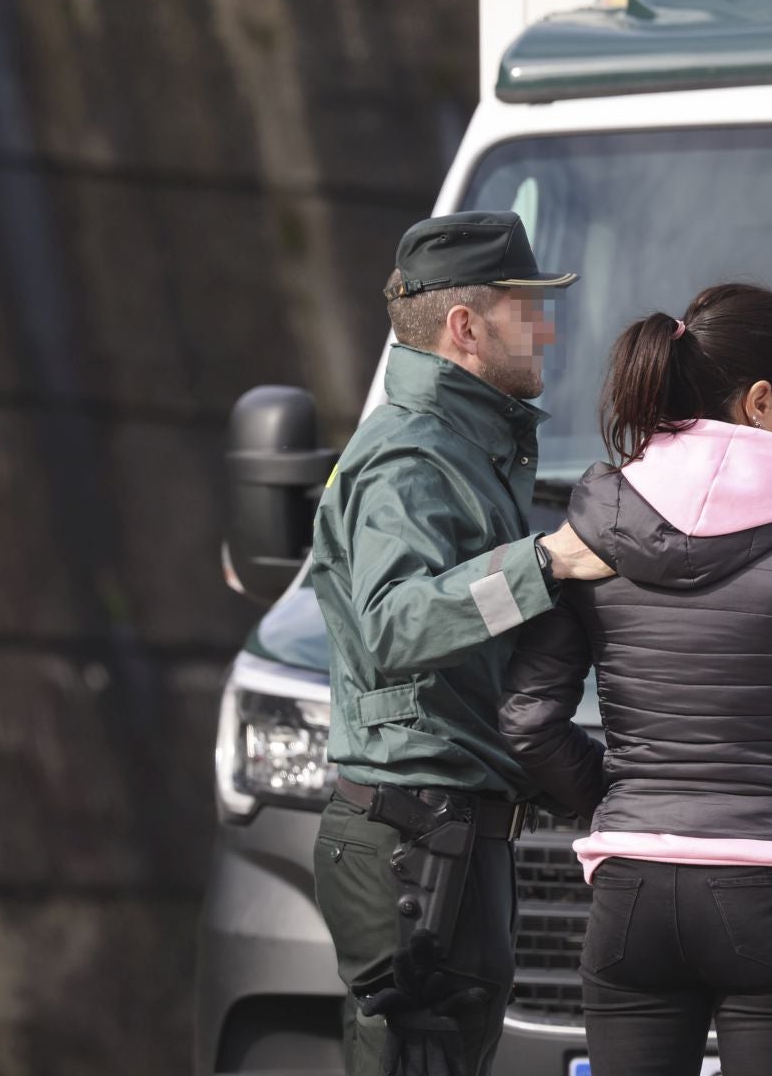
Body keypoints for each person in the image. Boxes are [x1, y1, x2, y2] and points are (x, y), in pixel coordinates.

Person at [500, 282, 772, 1076]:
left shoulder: (593, 539)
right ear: (762, 402)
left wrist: (622, 807)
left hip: (632, 895)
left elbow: (528, 718)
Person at [311, 211, 614, 1076]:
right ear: (466, 327)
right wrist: (545, 561)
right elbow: (393, 621)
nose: (547, 326)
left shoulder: (459, 445)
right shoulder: (413, 452)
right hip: (414, 845)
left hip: (441, 838)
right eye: (528, 306)